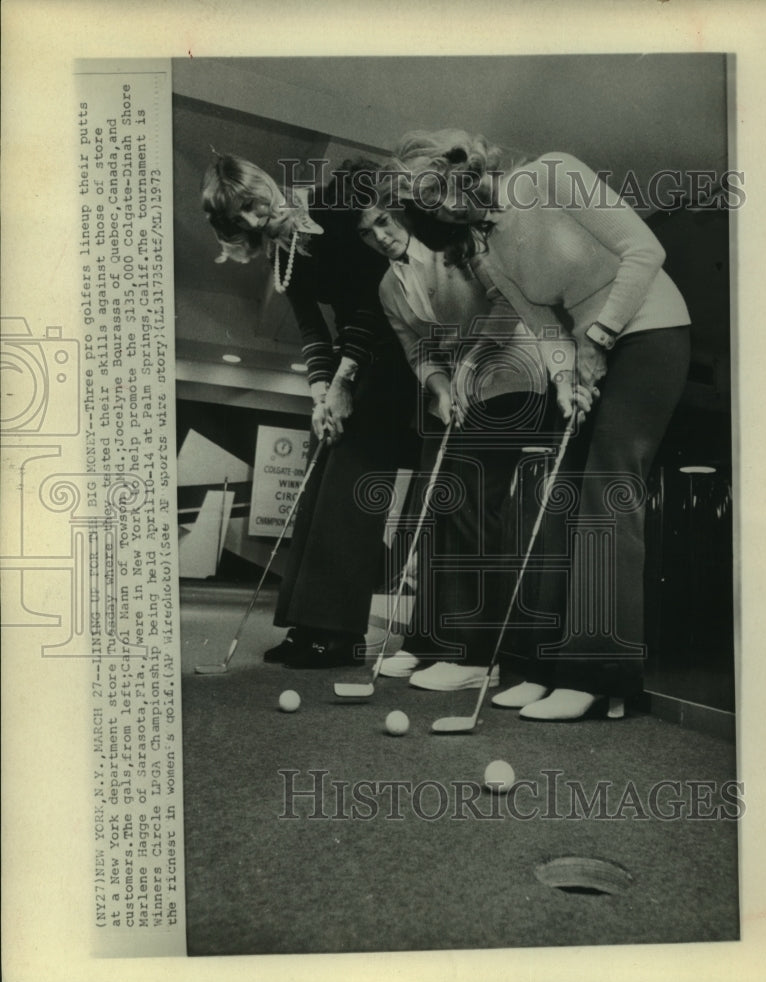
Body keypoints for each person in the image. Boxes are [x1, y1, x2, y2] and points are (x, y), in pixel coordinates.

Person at [393, 129, 691, 719]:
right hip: (588, 346)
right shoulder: (486, 253)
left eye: (439, 190)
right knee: (548, 495)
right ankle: (534, 665)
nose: (444, 208)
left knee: (608, 489)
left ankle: (597, 673)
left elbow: (645, 252)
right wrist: (564, 378)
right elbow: (547, 328)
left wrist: (599, 338)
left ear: (461, 165)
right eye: (427, 206)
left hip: (652, 326)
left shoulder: (551, 173)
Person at [353, 185, 592, 692]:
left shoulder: (454, 247)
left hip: (515, 377)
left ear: (404, 215)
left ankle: (476, 655)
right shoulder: (386, 288)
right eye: (366, 231)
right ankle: (431, 643)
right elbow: (416, 350)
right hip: (462, 394)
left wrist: (466, 363)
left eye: (384, 221)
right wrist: (440, 388)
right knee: (447, 506)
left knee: (474, 505)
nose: (380, 235)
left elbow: (511, 304)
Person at [202, 154, 418, 668]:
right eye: (242, 221)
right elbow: (312, 332)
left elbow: (374, 296)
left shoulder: (335, 206)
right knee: (320, 484)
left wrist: (345, 381)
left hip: (393, 350)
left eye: (254, 204)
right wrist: (320, 392)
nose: (257, 220)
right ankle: (306, 626)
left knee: (350, 486)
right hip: (350, 360)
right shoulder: (283, 259)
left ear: (265, 183)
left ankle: (339, 634)